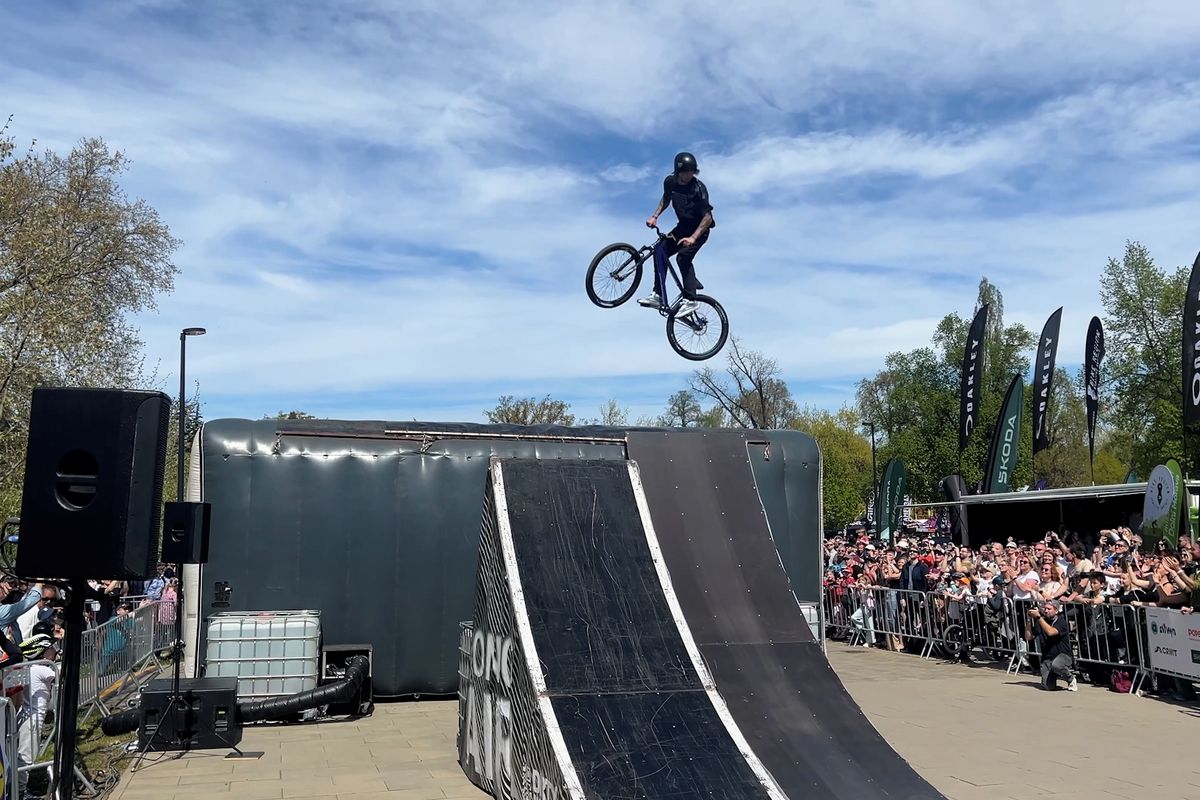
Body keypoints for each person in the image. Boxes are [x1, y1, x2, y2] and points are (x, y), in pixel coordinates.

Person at [641, 151, 715, 312]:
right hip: (682, 227)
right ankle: (658, 295)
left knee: (683, 257)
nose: (689, 175)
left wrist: (693, 238)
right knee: (660, 250)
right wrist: (655, 216)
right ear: (678, 171)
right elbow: (666, 199)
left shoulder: (698, 189)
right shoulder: (670, 182)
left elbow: (708, 217)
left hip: (699, 230)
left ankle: (691, 300)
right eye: (685, 172)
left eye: (691, 172)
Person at [1029, 599, 1076, 691]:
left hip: (1063, 655)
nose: (1046, 611)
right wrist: (1029, 619)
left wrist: (1039, 617)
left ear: (1056, 611)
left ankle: (1070, 679)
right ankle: (1053, 675)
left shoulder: (1061, 621)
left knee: (1057, 665)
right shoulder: (1041, 621)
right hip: (1047, 657)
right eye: (1045, 608)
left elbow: (1051, 632)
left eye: (1049, 609)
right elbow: (1029, 637)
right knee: (1047, 687)